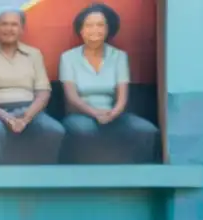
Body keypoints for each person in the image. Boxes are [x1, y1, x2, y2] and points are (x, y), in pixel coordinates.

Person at [59, 3, 159, 164]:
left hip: (114, 115)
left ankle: (138, 176)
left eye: (100, 25)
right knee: (84, 131)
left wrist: (113, 113)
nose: (94, 30)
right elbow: (71, 97)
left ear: (108, 29)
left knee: (146, 130)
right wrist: (95, 113)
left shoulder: (119, 56)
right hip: (81, 115)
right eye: (89, 26)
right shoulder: (68, 58)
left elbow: (122, 96)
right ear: (81, 30)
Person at [0, 7, 65, 165]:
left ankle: (44, 179)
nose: (9, 29)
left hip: (29, 110)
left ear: (22, 29)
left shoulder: (34, 54)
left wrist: (27, 117)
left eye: (14, 24)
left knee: (53, 130)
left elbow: (43, 92)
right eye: (4, 24)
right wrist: (6, 117)